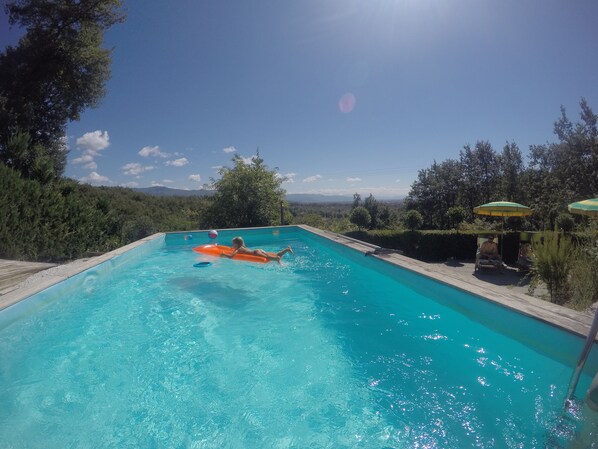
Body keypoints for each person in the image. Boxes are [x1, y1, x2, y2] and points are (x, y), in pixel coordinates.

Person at [222, 236, 293, 263]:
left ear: (236, 244)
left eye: (233, 244)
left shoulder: (238, 249)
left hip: (255, 253)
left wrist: (224, 254)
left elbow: (231, 257)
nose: (232, 245)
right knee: (273, 254)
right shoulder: (242, 247)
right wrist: (232, 248)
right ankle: (287, 249)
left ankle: (276, 259)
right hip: (258, 250)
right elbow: (234, 249)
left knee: (268, 257)